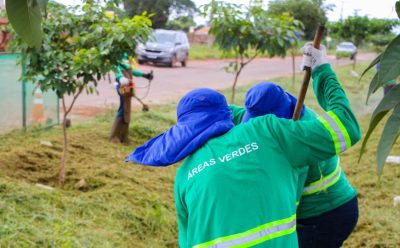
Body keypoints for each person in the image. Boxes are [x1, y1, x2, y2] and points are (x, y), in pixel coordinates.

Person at [126, 44, 361, 247]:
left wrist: (322, 72)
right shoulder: (258, 126)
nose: (246, 126)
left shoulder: (291, 132)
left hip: (328, 214)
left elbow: (346, 128)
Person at [230, 81, 359, 248]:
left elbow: (287, 204)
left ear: (276, 118)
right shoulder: (286, 114)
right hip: (322, 213)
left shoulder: (298, 138)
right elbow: (238, 116)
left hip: (325, 216)